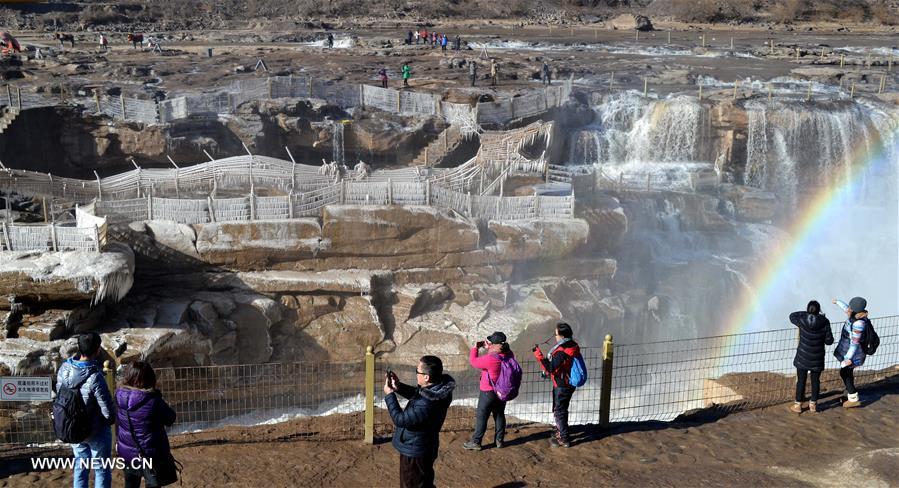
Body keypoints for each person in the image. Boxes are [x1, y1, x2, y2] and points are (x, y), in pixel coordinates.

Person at [384, 356, 455, 488]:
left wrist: (389, 396)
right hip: (426, 445)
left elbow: (399, 420)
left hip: (415, 451)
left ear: (426, 377)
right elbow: (420, 394)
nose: (416, 374)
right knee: (424, 482)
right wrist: (398, 387)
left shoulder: (426, 404)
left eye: (417, 371)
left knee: (412, 484)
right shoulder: (439, 389)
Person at [56, 332, 116, 488]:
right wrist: (109, 421)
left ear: (79, 348)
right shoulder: (95, 376)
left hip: (73, 425)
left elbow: (60, 395)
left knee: (80, 467)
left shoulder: (64, 369)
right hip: (95, 429)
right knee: (101, 469)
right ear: (97, 350)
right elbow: (106, 407)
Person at [116, 362, 178, 488]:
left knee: (130, 484)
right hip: (150, 454)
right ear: (150, 378)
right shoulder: (153, 401)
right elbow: (170, 418)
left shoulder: (119, 395)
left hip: (127, 451)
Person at [463, 332, 513, 451]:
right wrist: (489, 348)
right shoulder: (510, 354)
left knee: (482, 417)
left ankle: (476, 442)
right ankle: (499, 440)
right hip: (502, 391)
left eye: (491, 342)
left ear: (495, 344)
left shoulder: (490, 359)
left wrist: (476, 347)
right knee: (499, 414)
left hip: (488, 392)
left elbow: (474, 361)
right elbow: (498, 354)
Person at [533, 322, 580, 448]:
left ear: (562, 335)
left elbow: (551, 368)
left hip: (562, 385)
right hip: (569, 382)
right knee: (562, 409)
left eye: (556, 334)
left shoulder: (562, 351)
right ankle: (561, 431)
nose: (555, 336)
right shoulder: (573, 345)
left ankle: (564, 439)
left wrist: (538, 355)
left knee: (559, 411)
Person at [788, 301, 834, 413]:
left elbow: (792, 316)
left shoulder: (802, 320)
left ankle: (798, 405)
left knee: (801, 381)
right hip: (817, 358)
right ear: (819, 310)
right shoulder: (825, 322)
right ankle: (813, 405)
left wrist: (807, 313)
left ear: (807, 309)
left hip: (802, 356)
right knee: (815, 382)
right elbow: (829, 341)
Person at [833, 297, 869, 408]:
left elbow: (855, 343)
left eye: (851, 307)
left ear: (855, 309)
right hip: (848, 350)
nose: (849, 308)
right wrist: (838, 302)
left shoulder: (859, 323)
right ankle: (850, 392)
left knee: (844, 373)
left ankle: (853, 397)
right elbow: (846, 308)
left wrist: (847, 358)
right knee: (847, 373)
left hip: (854, 354)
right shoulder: (855, 314)